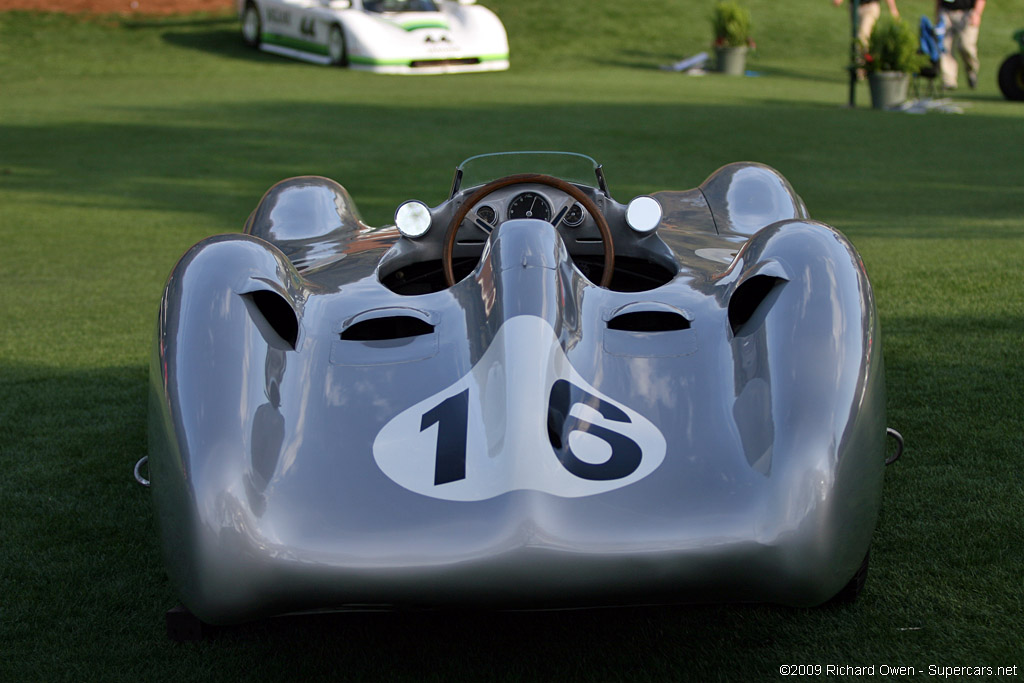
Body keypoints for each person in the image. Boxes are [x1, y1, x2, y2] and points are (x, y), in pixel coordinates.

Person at [936, 0, 985, 89]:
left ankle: (971, 71)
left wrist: (977, 13)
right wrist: (937, 13)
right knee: (945, 47)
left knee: (966, 46)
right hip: (946, 11)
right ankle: (949, 81)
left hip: (967, 13)